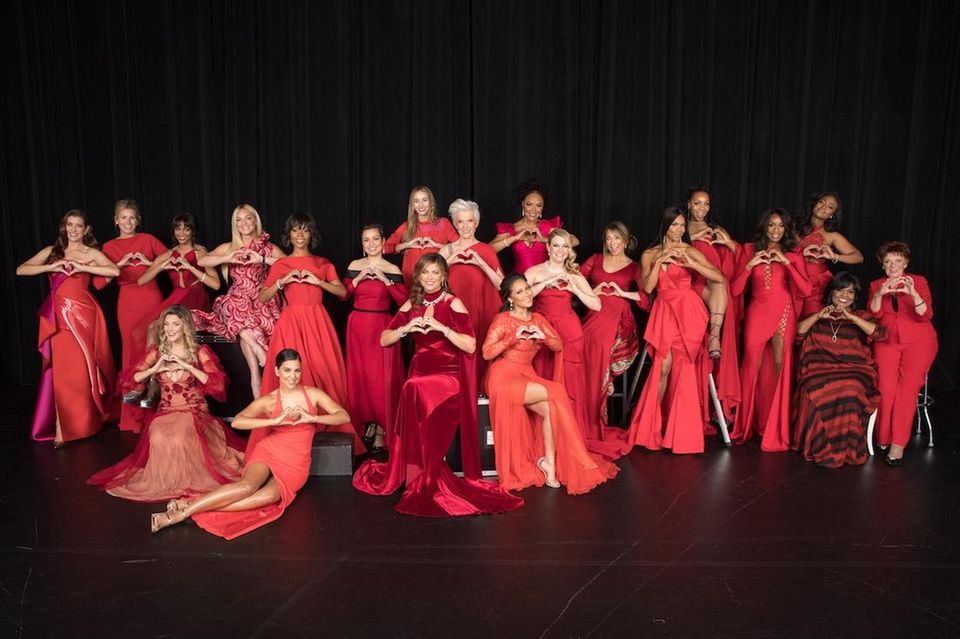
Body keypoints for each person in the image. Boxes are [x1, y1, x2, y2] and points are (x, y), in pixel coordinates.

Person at [352, 255, 523, 517]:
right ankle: (415, 470)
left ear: (443, 277)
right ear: (419, 277)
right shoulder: (413, 303)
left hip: (448, 376)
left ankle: (426, 471)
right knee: (412, 387)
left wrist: (443, 328)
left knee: (417, 389)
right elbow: (385, 339)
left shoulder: (453, 303)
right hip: (419, 373)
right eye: (425, 273)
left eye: (435, 273)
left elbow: (470, 345)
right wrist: (407, 327)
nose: (430, 277)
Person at [149, 349, 351, 538]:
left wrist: (312, 418)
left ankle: (190, 503)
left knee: (268, 498)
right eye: (287, 370)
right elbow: (238, 420)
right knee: (247, 487)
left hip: (296, 462)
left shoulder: (312, 394)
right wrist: (272, 421)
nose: (292, 376)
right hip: (270, 450)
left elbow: (343, 416)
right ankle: (181, 514)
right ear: (276, 371)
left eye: (297, 371)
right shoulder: (269, 400)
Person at [87, 306, 245, 500]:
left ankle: (187, 479)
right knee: (158, 435)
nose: (170, 329)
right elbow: (130, 379)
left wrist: (188, 366)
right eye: (167, 324)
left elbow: (217, 383)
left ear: (185, 326)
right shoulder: (157, 352)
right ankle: (166, 480)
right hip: (167, 410)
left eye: (175, 324)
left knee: (179, 437)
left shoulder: (199, 351)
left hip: (194, 410)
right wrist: (154, 369)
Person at [483, 275, 619, 493]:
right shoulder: (503, 320)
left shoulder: (538, 319)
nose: (527, 294)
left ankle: (549, 465)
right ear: (510, 299)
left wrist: (542, 336)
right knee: (556, 392)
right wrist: (512, 337)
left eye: (527, 288)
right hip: (503, 377)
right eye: (519, 292)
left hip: (526, 374)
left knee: (549, 409)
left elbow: (557, 345)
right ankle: (578, 455)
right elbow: (487, 352)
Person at [257, 213, 363, 452]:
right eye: (296, 230)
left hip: (317, 322)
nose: (300, 235)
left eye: (305, 230)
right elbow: (263, 296)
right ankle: (292, 430)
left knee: (326, 373)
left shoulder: (323, 263)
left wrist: (318, 281)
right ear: (289, 235)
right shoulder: (281, 265)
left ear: (311, 234)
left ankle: (324, 429)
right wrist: (282, 282)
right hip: (291, 322)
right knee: (294, 374)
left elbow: (341, 293)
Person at [625, 208, 724, 454]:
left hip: (687, 311)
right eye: (674, 225)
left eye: (682, 225)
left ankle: (680, 434)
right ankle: (652, 429)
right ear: (665, 227)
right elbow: (648, 288)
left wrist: (692, 264)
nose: (679, 229)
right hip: (664, 311)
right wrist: (660, 262)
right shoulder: (650, 253)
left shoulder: (691, 250)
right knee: (662, 368)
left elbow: (719, 278)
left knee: (683, 370)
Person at [17, 209, 119, 445]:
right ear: (64, 227)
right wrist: (50, 268)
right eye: (69, 225)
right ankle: (61, 426)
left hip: (84, 315)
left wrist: (83, 267)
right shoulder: (52, 252)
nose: (73, 230)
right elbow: (21, 269)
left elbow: (113, 271)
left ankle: (85, 422)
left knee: (84, 371)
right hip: (59, 318)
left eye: (78, 226)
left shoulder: (90, 253)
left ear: (86, 229)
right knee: (63, 371)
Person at [730, 209, 811, 451]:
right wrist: (749, 265)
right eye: (771, 225)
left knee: (780, 367)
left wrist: (787, 263)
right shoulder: (748, 250)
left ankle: (778, 428)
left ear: (786, 229)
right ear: (764, 227)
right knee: (751, 366)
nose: (775, 230)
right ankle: (744, 426)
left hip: (784, 313)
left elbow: (806, 290)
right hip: (757, 312)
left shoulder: (794, 255)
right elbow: (735, 290)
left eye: (780, 226)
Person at [193, 204, 284, 398]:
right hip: (238, 296)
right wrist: (228, 256)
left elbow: (287, 264)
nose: (244, 223)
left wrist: (260, 259)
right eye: (239, 220)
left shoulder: (268, 247)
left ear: (255, 220)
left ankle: (255, 378)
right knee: (232, 306)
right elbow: (202, 261)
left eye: (248, 218)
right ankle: (259, 359)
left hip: (261, 297)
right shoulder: (230, 246)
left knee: (245, 325)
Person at [792, 273, 882, 468]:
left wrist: (851, 316)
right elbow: (797, 334)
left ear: (855, 296)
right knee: (815, 387)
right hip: (819, 368)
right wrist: (818, 316)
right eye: (840, 290)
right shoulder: (818, 316)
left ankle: (847, 449)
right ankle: (822, 448)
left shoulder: (861, 316)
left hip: (855, 369)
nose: (845, 295)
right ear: (832, 292)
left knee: (850, 387)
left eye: (850, 292)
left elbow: (878, 333)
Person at [524, 229, 602, 447]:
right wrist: (545, 283)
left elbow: (596, 304)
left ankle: (566, 439)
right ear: (548, 247)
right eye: (556, 245)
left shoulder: (574, 274)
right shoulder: (535, 271)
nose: (560, 250)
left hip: (569, 333)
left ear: (570, 251)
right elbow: (518, 298)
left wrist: (574, 288)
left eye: (565, 246)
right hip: (541, 332)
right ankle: (541, 439)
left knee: (567, 383)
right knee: (543, 379)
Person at [96, 199, 168, 432]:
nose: (128, 222)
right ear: (116, 220)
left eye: (132, 218)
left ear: (138, 220)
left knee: (153, 350)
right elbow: (99, 283)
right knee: (131, 353)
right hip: (127, 303)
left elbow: (175, 260)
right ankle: (131, 415)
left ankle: (155, 409)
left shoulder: (148, 239)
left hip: (151, 298)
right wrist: (118, 264)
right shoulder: (108, 247)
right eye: (123, 218)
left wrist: (152, 263)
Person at [579, 222, 649, 459]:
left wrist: (621, 293)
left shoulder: (634, 266)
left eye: (617, 239)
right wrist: (593, 290)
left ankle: (596, 410)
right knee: (582, 347)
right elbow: (573, 279)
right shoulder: (596, 259)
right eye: (608, 238)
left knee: (600, 347)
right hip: (594, 312)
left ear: (626, 240)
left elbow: (645, 299)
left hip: (618, 317)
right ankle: (581, 415)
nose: (612, 243)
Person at [867, 241, 938, 466]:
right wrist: (879, 293)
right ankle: (884, 436)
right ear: (882, 265)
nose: (892, 265)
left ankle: (898, 444)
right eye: (887, 261)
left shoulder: (919, 281)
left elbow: (925, 315)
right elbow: (875, 314)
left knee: (907, 391)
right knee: (886, 389)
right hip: (887, 340)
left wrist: (913, 293)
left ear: (906, 262)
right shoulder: (876, 284)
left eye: (897, 260)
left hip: (919, 342)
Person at [344, 224, 407, 450]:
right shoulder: (354, 266)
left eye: (375, 240)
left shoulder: (392, 268)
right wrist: (358, 278)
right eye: (366, 240)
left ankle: (382, 427)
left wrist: (385, 279)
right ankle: (365, 424)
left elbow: (403, 302)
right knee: (360, 379)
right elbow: (343, 295)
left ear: (382, 242)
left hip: (381, 326)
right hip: (357, 326)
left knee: (380, 380)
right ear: (362, 244)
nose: (371, 244)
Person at [681, 187, 741, 422]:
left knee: (721, 285)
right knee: (717, 288)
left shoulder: (716, 230)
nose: (702, 208)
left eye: (706, 204)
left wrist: (728, 244)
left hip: (714, 287)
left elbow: (737, 263)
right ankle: (695, 406)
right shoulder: (680, 227)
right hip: (689, 284)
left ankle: (718, 406)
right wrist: (693, 238)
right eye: (697, 203)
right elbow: (664, 248)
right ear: (688, 204)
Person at [440, 198, 504, 381]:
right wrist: (450, 261)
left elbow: (502, 286)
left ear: (476, 223)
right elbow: (430, 281)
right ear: (455, 224)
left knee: (478, 348)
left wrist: (481, 263)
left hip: (480, 312)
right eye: (460, 221)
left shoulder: (486, 250)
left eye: (469, 221)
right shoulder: (446, 251)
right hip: (452, 314)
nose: (465, 226)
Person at [794, 192, 864, 316]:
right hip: (791, 279)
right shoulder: (792, 228)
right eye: (822, 202)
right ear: (815, 204)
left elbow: (858, 257)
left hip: (815, 287)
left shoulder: (832, 236)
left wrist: (834, 256)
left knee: (811, 321)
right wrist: (799, 255)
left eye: (830, 207)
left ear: (832, 215)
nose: (824, 207)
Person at [491, 181, 579, 273]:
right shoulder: (512, 228)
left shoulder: (547, 227)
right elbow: (487, 250)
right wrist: (514, 238)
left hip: (545, 280)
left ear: (542, 207)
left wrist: (545, 240)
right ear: (523, 204)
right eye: (529, 204)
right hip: (520, 282)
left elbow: (575, 241)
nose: (533, 210)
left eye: (538, 205)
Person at [383, 186, 458, 287]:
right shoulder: (406, 226)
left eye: (424, 200)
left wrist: (436, 245)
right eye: (416, 201)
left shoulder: (443, 223)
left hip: (436, 281)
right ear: (412, 205)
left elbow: (460, 247)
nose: (421, 205)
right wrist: (406, 245)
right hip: (412, 281)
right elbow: (384, 248)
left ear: (431, 203)